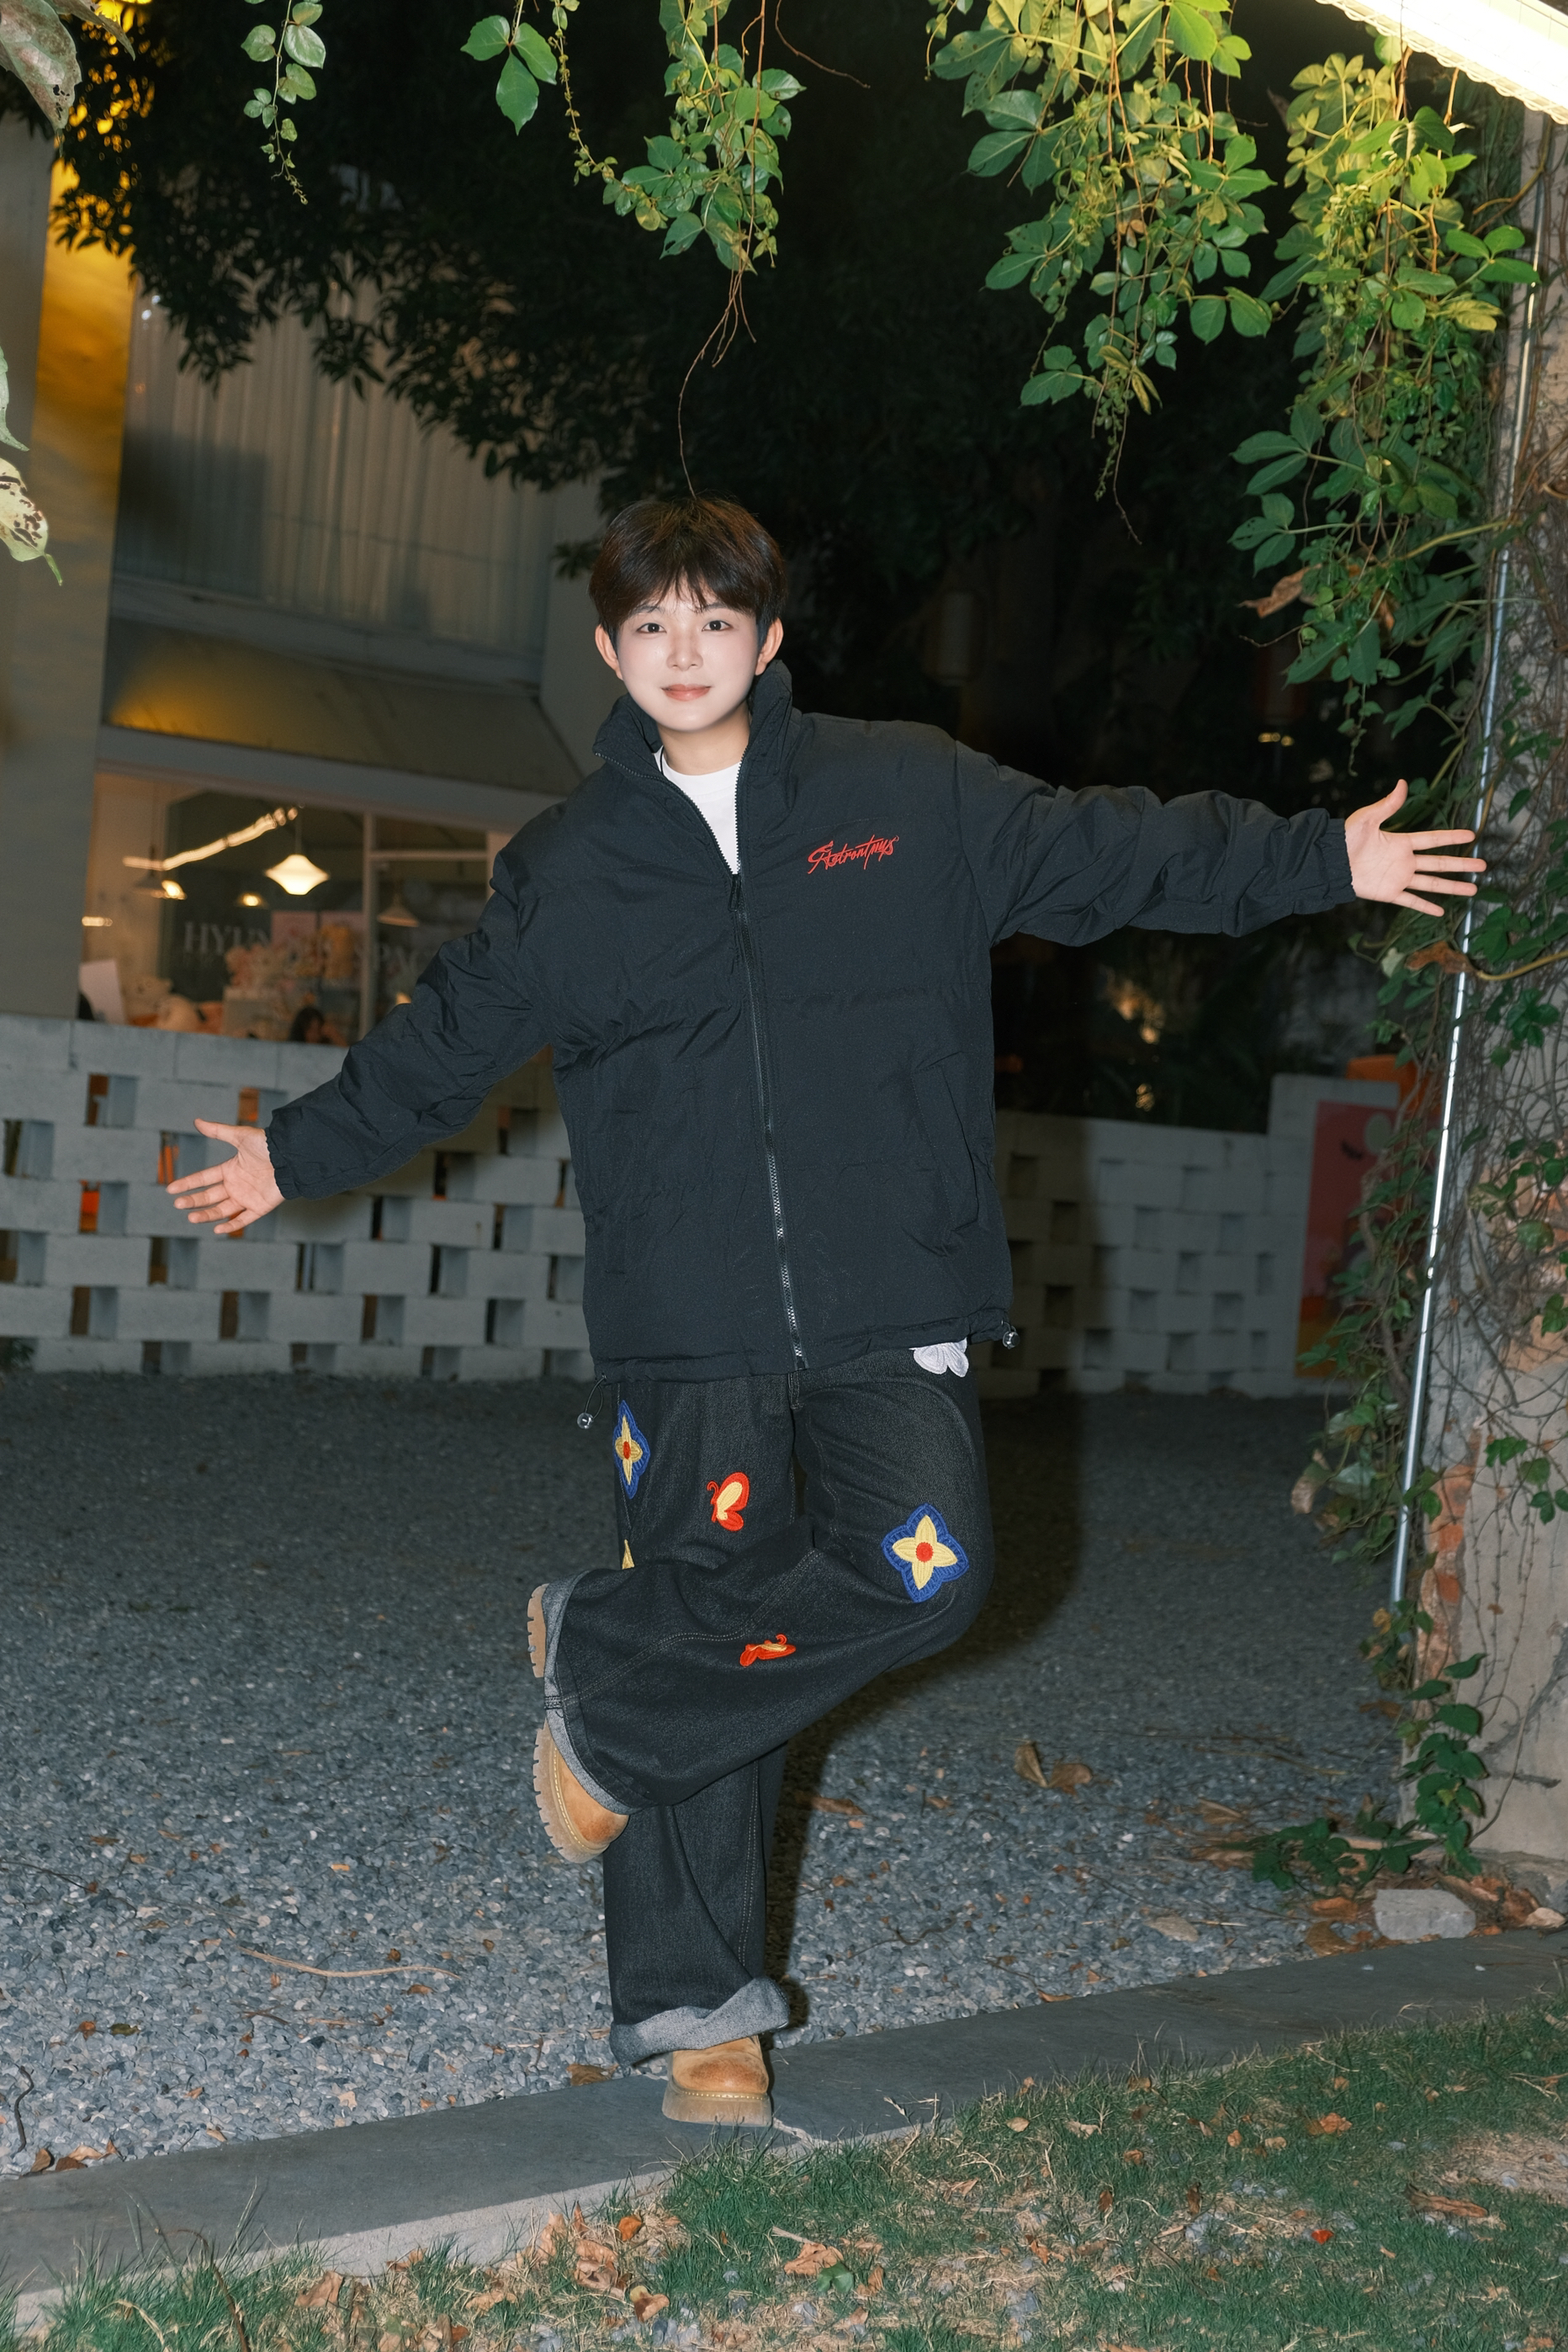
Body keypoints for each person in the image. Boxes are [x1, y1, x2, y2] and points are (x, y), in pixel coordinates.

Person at [167, 495, 1483, 2129]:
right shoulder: (573, 868)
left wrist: (1322, 856)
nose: (684, 653)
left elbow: (1110, 850)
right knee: (720, 1600)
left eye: (714, 623)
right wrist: (291, 1153)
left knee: (930, 1572)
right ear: (610, 651)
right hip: (688, 1318)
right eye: (651, 627)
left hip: (888, 1291)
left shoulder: (904, 795)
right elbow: (448, 1041)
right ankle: (696, 2010)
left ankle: (606, 1664)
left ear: (768, 639)